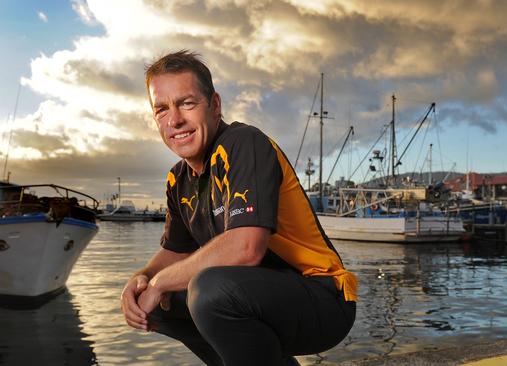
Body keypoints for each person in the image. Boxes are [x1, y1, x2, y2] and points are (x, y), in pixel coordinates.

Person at [120, 50, 357, 366]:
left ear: (215, 105)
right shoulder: (179, 179)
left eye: (187, 103)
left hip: (323, 297)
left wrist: (161, 282)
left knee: (209, 290)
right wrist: (142, 278)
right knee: (154, 302)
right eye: (162, 109)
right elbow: (175, 253)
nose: (174, 119)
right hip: (260, 296)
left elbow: (246, 248)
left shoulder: (244, 143)